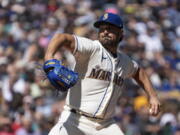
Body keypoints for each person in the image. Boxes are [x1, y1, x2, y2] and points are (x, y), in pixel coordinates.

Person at [44, 12, 161, 135]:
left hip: (105, 125)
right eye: (102, 29)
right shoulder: (92, 48)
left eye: (110, 29)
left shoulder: (125, 61)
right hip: (76, 119)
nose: (105, 32)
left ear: (121, 34)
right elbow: (61, 37)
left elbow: (139, 72)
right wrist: (48, 57)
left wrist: (152, 96)